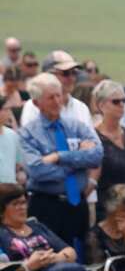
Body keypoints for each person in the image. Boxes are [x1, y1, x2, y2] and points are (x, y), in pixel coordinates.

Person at [19, 73, 102, 255]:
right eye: (51, 98)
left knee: (81, 256)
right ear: (37, 103)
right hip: (47, 207)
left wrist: (59, 157)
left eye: (59, 95)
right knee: (52, 258)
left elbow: (97, 155)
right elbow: (37, 170)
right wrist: (78, 163)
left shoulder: (77, 127)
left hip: (77, 205)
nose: (57, 101)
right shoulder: (28, 134)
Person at [90, 80, 125, 230]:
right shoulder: (94, 138)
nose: (122, 105)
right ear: (101, 105)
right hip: (110, 211)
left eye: (124, 100)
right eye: (116, 101)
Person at [20, 52, 92, 129]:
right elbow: (31, 134)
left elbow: (90, 136)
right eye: (66, 73)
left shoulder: (81, 108)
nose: (71, 78)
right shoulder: (33, 106)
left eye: (74, 72)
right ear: (48, 75)